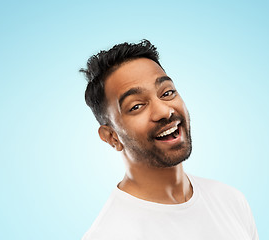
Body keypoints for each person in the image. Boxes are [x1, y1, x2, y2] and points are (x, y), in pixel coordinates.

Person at [80, 40, 259, 240]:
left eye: (167, 93)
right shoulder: (108, 235)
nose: (165, 111)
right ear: (112, 137)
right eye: (137, 106)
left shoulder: (230, 200)